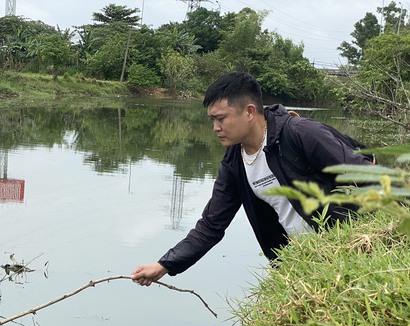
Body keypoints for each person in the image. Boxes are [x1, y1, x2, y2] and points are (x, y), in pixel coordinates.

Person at [131, 71, 374, 286]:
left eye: (221, 118)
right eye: (212, 120)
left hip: (350, 250)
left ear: (249, 112)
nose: (215, 127)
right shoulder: (234, 162)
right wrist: (165, 265)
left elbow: (367, 175)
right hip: (302, 263)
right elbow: (211, 226)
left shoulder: (301, 134)